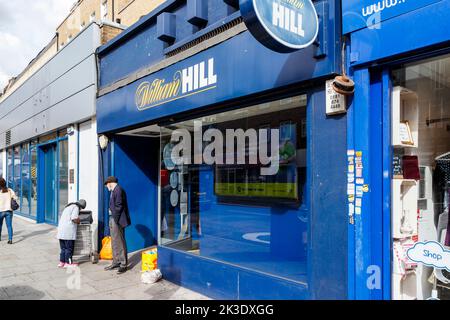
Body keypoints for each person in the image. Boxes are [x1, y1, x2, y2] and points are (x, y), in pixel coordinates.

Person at [104, 176, 131, 274]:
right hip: (113, 218)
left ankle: (123, 264)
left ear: (110, 183)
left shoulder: (118, 190)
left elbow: (119, 206)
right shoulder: (114, 190)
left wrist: (115, 219)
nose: (107, 187)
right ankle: (116, 261)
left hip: (117, 219)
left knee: (119, 241)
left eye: (107, 185)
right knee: (114, 241)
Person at [57, 199, 86, 268]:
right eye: (81, 208)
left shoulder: (68, 207)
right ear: (80, 206)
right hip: (68, 232)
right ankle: (68, 263)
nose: (80, 209)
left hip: (61, 231)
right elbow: (74, 218)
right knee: (69, 249)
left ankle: (62, 262)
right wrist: (79, 221)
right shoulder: (76, 207)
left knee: (63, 248)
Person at [0, 177, 18, 244]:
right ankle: (10, 240)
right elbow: (15, 197)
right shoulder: (10, 190)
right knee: (9, 226)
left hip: (0, 211)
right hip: (9, 211)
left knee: (0, 225)